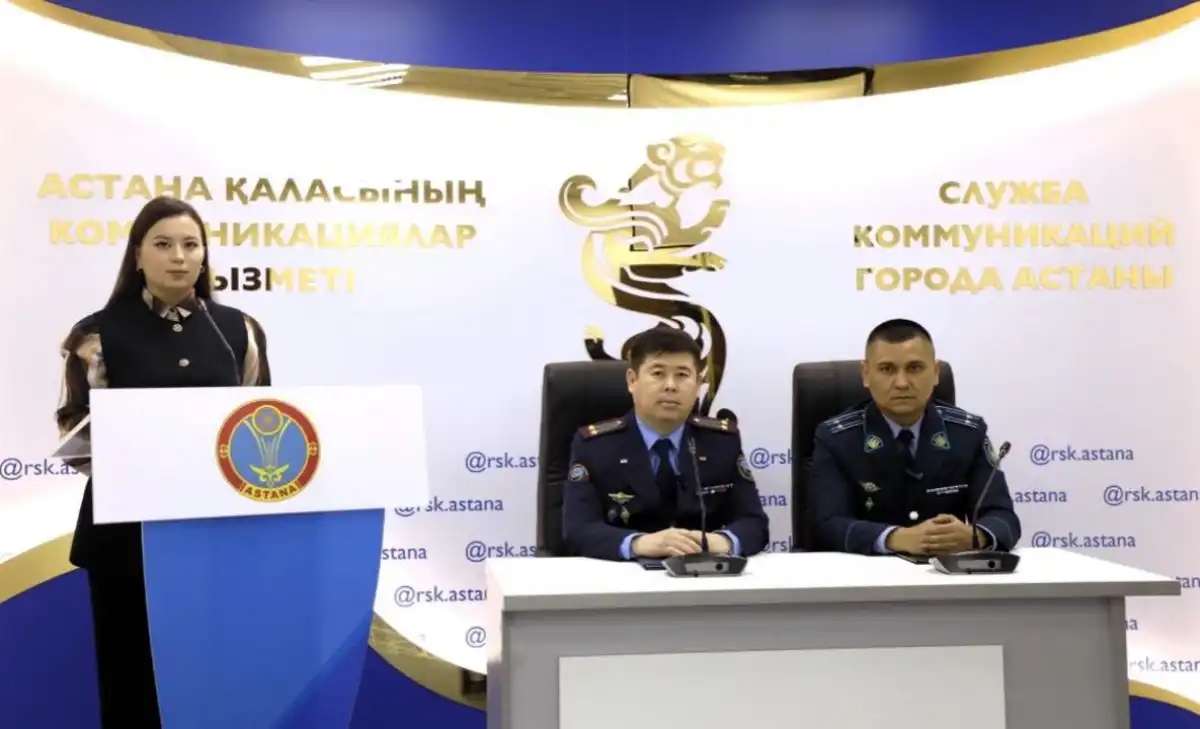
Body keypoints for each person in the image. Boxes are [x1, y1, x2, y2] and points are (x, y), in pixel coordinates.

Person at [55, 196, 271, 728]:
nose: (179, 256)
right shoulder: (96, 334)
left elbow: (261, 419)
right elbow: (75, 432)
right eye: (163, 244)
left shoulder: (239, 330)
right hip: (125, 540)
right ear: (137, 256)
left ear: (204, 256)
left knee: (215, 681)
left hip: (218, 535)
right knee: (131, 683)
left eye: (191, 245)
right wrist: (152, 470)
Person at [808, 319, 1020, 556]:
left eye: (915, 368)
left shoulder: (968, 433)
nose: (902, 383)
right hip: (867, 574)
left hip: (946, 572)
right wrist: (895, 538)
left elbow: (1003, 517)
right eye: (887, 369)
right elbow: (827, 525)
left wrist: (976, 536)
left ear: (935, 373)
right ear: (865, 374)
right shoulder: (837, 438)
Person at [562, 326, 769, 561]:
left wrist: (720, 542)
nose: (670, 385)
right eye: (658, 373)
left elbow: (754, 523)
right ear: (632, 380)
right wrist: (638, 544)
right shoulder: (595, 446)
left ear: (698, 384)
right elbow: (578, 530)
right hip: (624, 576)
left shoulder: (721, 442)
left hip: (703, 574)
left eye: (682, 375)